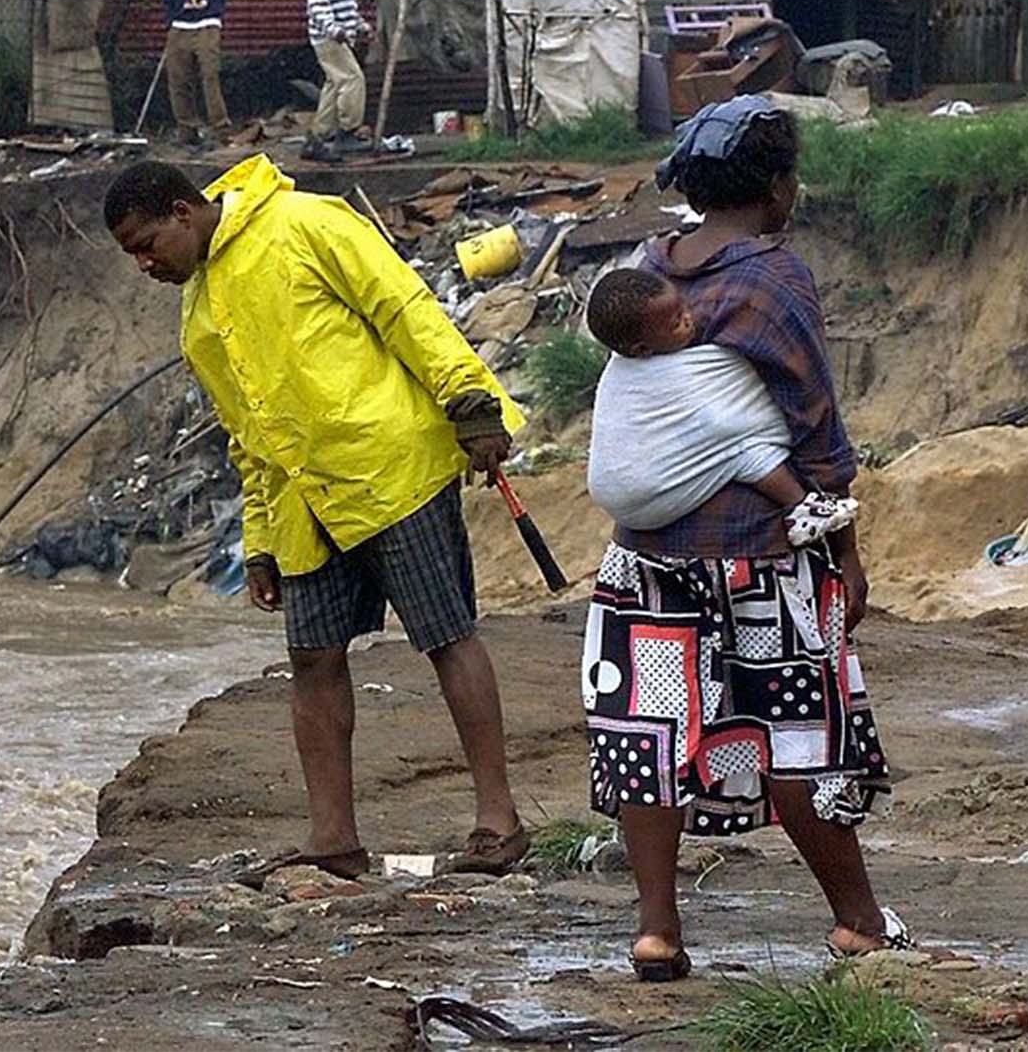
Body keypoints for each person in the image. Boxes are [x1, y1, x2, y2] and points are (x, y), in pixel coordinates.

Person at [104, 155, 532, 880]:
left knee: (446, 636)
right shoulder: (200, 315)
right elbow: (249, 435)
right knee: (313, 660)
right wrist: (261, 540)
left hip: (391, 467)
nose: (145, 263)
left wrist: (469, 400)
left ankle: (500, 822)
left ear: (183, 212)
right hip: (306, 502)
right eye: (133, 255)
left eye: (147, 244)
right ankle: (334, 840)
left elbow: (404, 307)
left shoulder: (307, 222)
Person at [579, 96, 908, 984]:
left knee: (650, 736)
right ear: (775, 185)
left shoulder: (648, 269)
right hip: (757, 555)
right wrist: (842, 543)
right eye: (792, 174)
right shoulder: (769, 276)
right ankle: (859, 922)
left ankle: (656, 931)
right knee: (796, 734)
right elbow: (813, 419)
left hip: (641, 559)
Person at [583, 267, 859, 547]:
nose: (689, 318)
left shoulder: (650, 352)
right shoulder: (631, 374)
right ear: (641, 350)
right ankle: (800, 507)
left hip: (618, 498)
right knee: (742, 449)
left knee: (727, 442)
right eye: (676, 322)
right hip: (647, 496)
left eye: (685, 307)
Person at [303, 0, 368, 164]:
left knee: (334, 83)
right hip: (328, 37)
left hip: (340, 34)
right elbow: (317, 4)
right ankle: (348, 131)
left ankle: (318, 137)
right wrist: (333, 29)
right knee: (353, 79)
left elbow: (347, 2)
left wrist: (360, 25)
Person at [163, 0, 231, 146]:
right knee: (178, 79)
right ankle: (187, 129)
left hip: (207, 22)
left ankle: (220, 129)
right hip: (180, 25)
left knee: (210, 75)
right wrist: (171, 19)